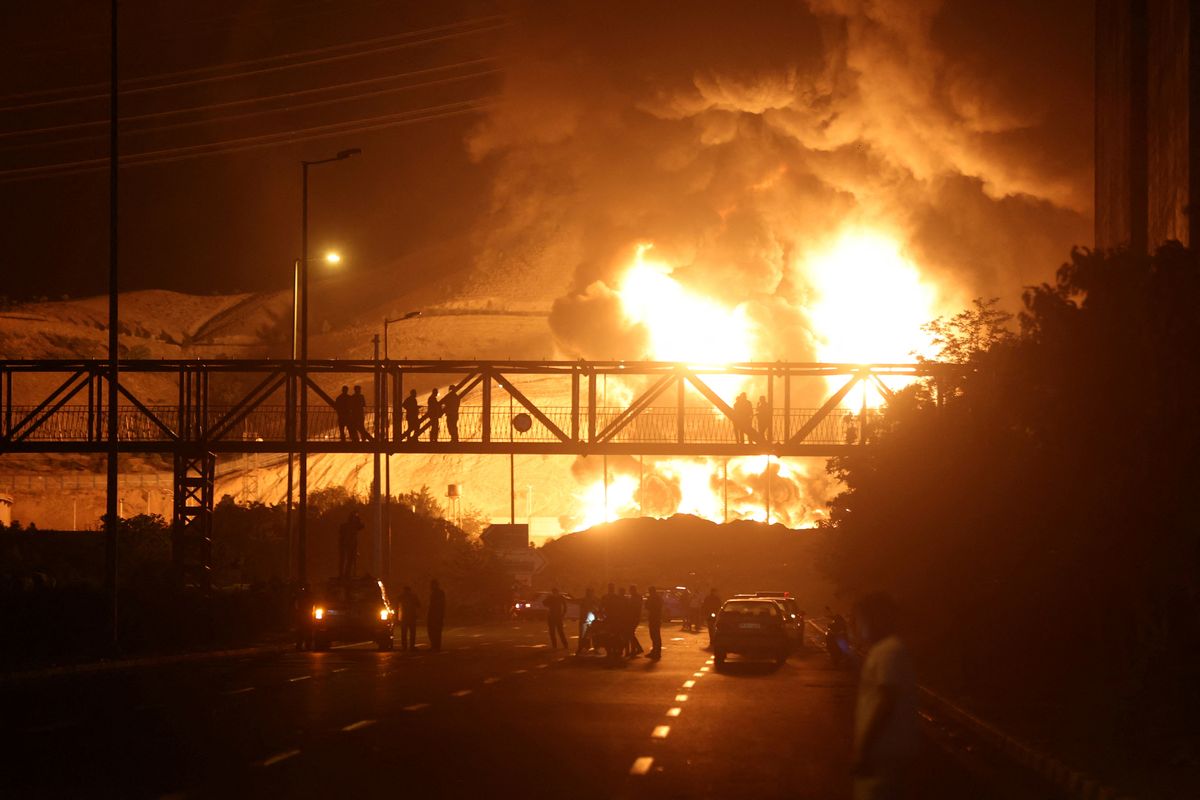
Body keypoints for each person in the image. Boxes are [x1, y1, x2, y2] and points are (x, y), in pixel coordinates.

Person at [852, 593, 918, 800]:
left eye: (861, 619)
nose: (857, 626)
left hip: (883, 751)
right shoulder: (888, 649)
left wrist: (864, 748)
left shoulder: (888, 652)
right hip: (888, 750)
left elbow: (886, 701)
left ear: (875, 619)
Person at [337, 511, 363, 578]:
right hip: (347, 545)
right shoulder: (348, 526)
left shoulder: (348, 526)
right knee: (346, 560)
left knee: (349, 560)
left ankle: (345, 574)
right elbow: (361, 525)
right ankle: (344, 575)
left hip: (349, 545)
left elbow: (361, 526)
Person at [399, 585, 421, 651]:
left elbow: (397, 606)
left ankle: (404, 646)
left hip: (404, 617)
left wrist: (397, 617)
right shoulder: (414, 596)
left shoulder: (401, 597)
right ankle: (412, 646)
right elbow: (419, 605)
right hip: (412, 617)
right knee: (412, 633)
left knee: (404, 633)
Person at [576, 587, 596, 655]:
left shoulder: (592, 600)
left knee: (587, 634)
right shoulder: (587, 600)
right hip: (586, 619)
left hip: (588, 619)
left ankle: (584, 647)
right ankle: (582, 647)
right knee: (584, 634)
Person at [427, 578, 446, 652]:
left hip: (435, 615)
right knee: (435, 631)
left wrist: (439, 615)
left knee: (435, 631)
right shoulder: (437, 593)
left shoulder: (438, 593)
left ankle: (435, 646)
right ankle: (435, 646)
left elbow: (438, 605)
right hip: (436, 615)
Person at [645, 585, 663, 660]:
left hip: (653, 618)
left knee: (654, 635)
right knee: (656, 635)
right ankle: (657, 651)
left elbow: (647, 606)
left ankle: (655, 651)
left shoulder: (652, 598)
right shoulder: (658, 598)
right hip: (657, 618)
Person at [627, 584, 644, 657]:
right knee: (631, 633)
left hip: (634, 617)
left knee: (630, 633)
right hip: (635, 617)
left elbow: (633, 608)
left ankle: (638, 648)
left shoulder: (635, 598)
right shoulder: (637, 597)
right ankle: (634, 650)